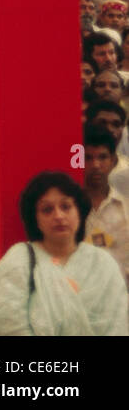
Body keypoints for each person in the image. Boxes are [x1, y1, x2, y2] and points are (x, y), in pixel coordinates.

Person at [0, 170, 128, 335]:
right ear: (35, 219)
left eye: (66, 207)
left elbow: (117, 325)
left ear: (79, 212)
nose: (59, 216)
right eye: (47, 210)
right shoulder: (18, 261)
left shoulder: (103, 263)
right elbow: (7, 325)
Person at [82, 123, 129, 287]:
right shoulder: (69, 206)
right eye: (88, 158)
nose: (95, 165)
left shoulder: (124, 207)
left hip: (118, 298)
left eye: (102, 157)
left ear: (113, 161)